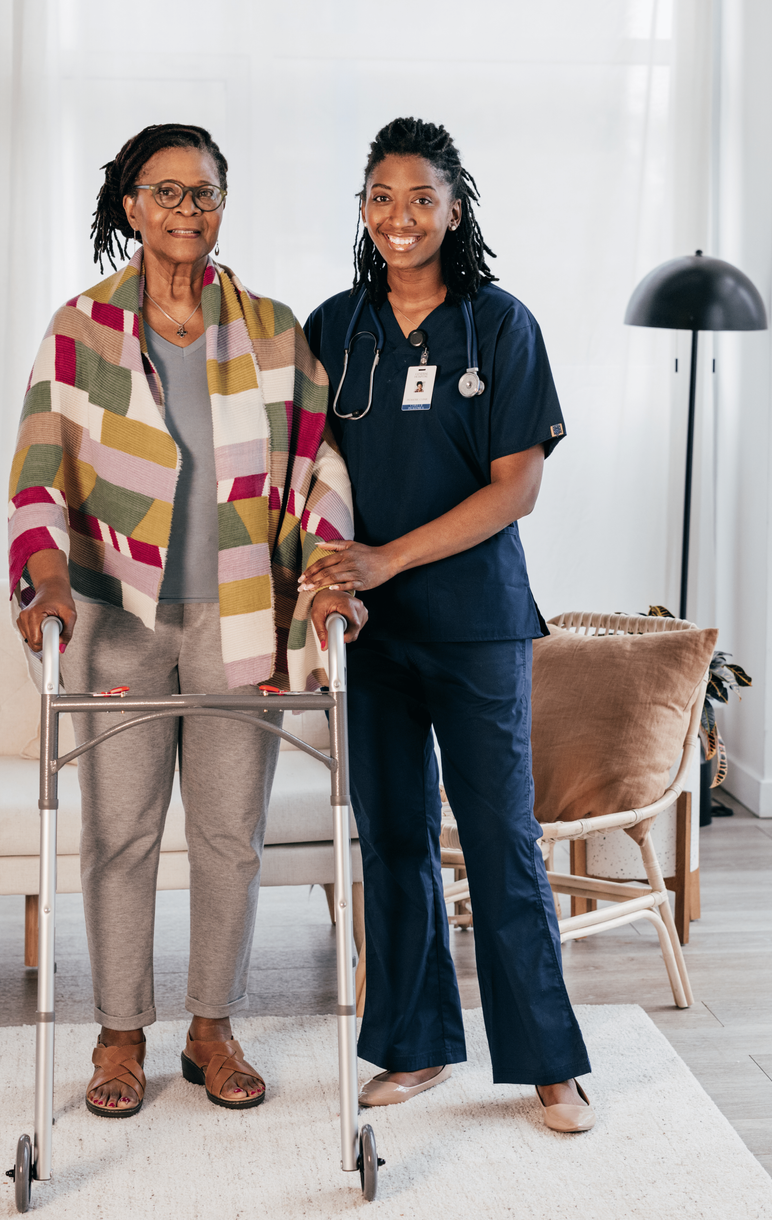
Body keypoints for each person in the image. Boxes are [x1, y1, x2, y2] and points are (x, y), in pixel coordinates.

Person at [8, 123, 366, 1119]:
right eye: (165, 192)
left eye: (203, 193)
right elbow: (38, 483)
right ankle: (119, 1034)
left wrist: (331, 575)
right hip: (117, 615)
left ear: (223, 204)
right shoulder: (80, 331)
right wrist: (42, 581)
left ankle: (212, 1027)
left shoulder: (272, 331)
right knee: (118, 833)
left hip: (242, 613)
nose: (187, 210)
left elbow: (319, 472)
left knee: (229, 833)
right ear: (128, 205)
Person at [300, 116, 593, 1133]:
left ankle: (549, 1061)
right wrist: (332, 578)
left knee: (503, 836)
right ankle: (416, 1045)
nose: (400, 217)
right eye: (381, 197)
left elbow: (516, 488)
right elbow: (308, 476)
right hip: (368, 636)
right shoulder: (333, 329)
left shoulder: (500, 324)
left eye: (421, 197)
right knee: (392, 837)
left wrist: (387, 557)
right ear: (364, 209)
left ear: (454, 207)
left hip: (475, 626)